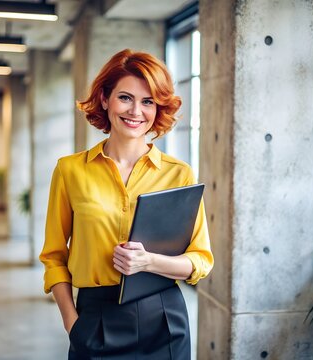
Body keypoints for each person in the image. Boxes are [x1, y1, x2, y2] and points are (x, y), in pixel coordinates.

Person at [39, 48, 214, 359]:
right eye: (126, 98)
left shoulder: (179, 174)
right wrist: (72, 324)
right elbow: (54, 257)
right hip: (95, 318)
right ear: (105, 99)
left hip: (164, 320)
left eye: (147, 101)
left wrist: (150, 262)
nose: (136, 111)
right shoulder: (70, 170)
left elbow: (199, 260)